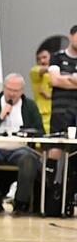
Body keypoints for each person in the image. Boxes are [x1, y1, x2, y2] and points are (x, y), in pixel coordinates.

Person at [0, 73, 43, 215]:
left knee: (29, 159)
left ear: (22, 91)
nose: (12, 93)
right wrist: (0, 117)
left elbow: (40, 130)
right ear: (4, 88)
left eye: (16, 91)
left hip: (20, 148)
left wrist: (27, 133)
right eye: (9, 89)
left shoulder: (29, 105)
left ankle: (21, 203)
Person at [47, 26, 77, 164]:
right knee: (55, 148)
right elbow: (54, 80)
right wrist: (73, 79)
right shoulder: (57, 57)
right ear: (71, 36)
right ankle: (49, 183)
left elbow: (60, 79)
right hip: (60, 111)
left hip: (75, 109)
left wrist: (65, 78)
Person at [30, 48, 52, 133]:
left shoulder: (57, 75)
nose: (42, 61)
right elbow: (43, 70)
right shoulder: (34, 71)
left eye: (45, 57)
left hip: (56, 114)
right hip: (42, 114)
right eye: (39, 59)